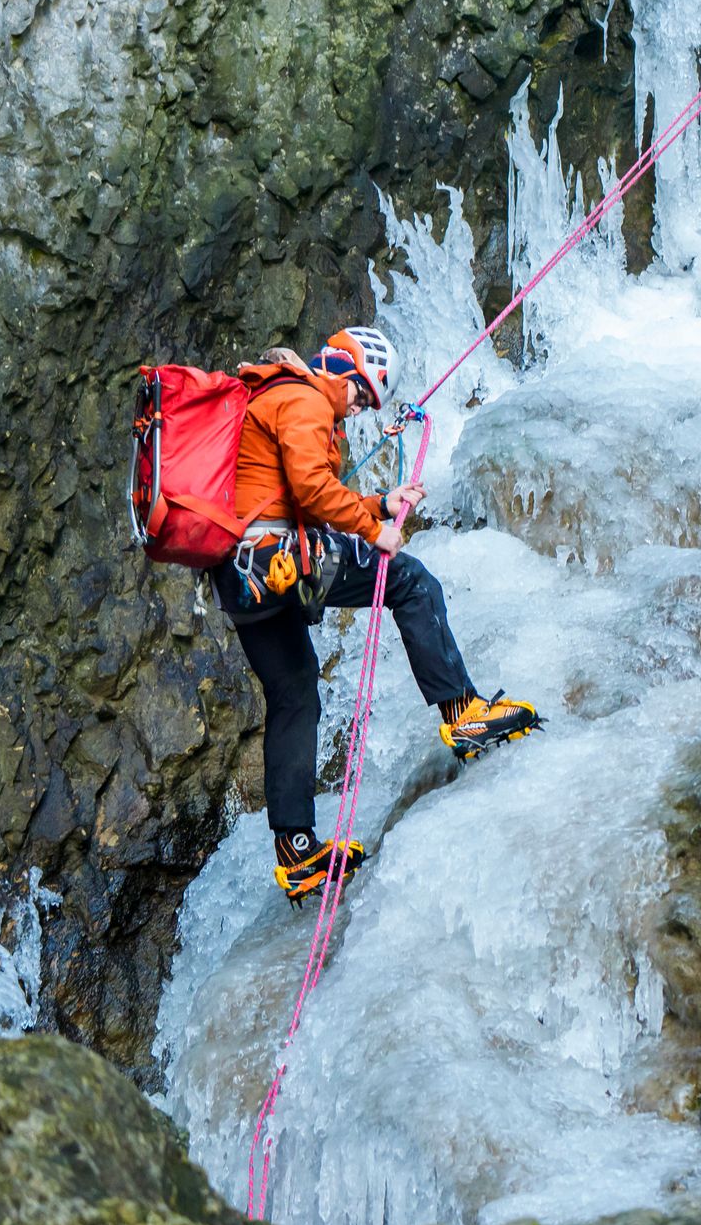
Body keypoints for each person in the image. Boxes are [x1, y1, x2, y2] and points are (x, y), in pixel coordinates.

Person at [213, 326, 540, 902]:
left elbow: (295, 492)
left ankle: (296, 853)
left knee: (294, 695)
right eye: (361, 394)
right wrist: (376, 530)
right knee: (410, 581)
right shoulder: (306, 397)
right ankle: (462, 711)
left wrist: (377, 505)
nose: (360, 407)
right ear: (343, 368)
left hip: (240, 576)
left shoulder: (271, 397)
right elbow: (313, 491)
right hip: (278, 559)